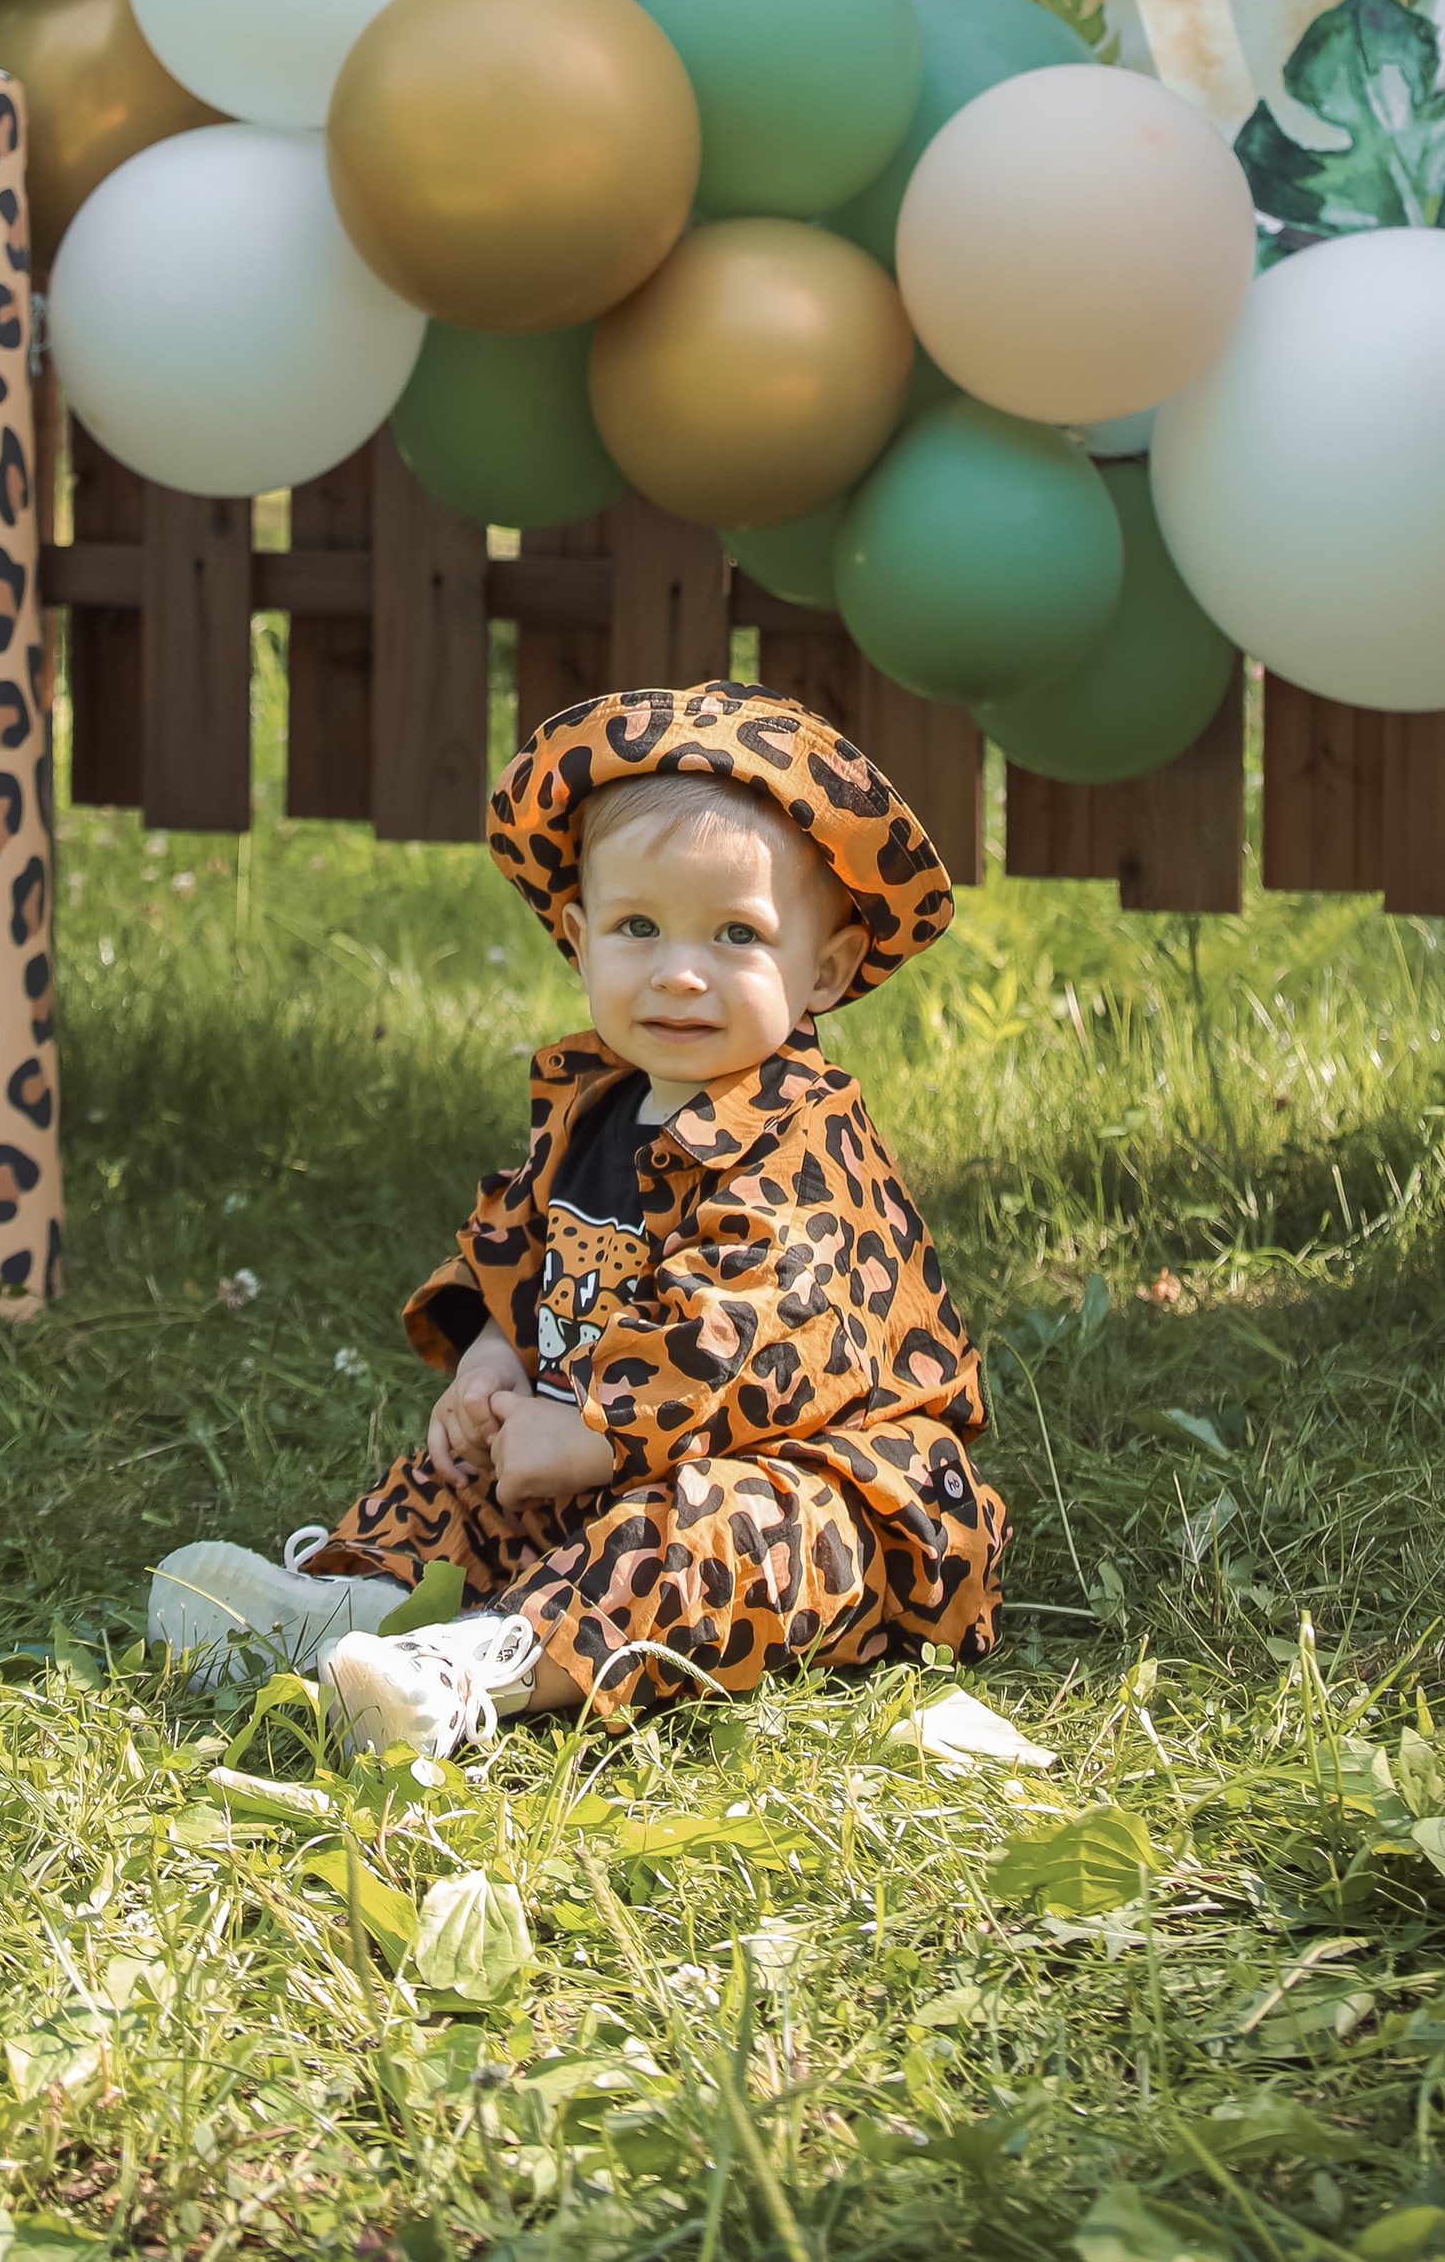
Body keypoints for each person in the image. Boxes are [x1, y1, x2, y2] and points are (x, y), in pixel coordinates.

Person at [150, 682, 1009, 1762]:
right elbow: (522, 1246)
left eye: (736, 935)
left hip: (823, 1492)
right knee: (455, 1473)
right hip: (592, 1454)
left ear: (824, 970)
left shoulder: (799, 1138)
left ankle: (481, 1669)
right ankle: (350, 1605)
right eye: (637, 927)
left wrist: (598, 1434)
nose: (679, 971)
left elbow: (747, 1332)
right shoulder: (593, 1101)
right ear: (577, 935)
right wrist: (496, 1358)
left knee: (722, 1531)